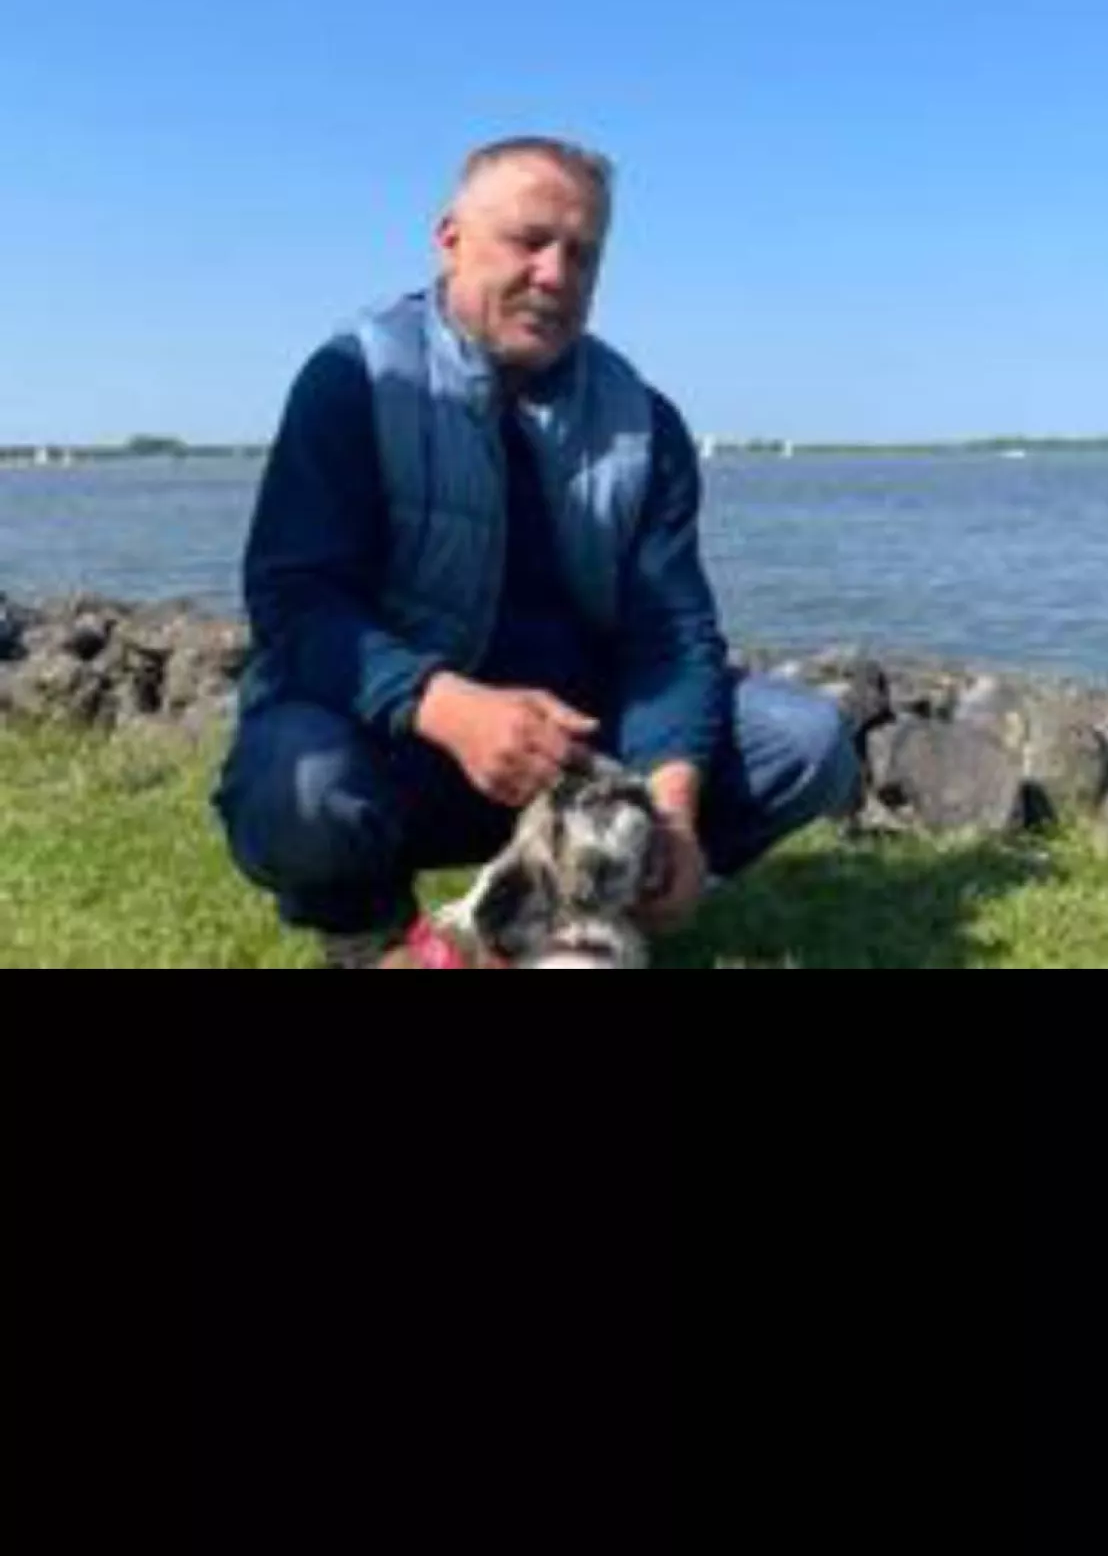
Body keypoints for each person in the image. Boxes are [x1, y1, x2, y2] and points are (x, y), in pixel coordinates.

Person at [212, 137, 857, 965]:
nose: (555, 274)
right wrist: (447, 707)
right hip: (404, 742)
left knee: (806, 743)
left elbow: (672, 637)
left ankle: (588, 905)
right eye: (529, 241)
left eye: (582, 255)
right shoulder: (352, 382)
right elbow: (296, 601)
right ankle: (376, 938)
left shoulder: (645, 422)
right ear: (450, 239)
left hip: (579, 758)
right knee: (296, 783)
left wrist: (673, 810)